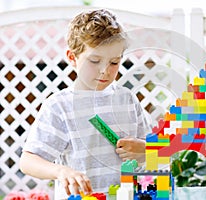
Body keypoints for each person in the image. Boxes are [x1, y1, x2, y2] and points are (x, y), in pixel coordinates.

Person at [19, 9, 151, 199]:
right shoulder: (60, 106)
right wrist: (61, 172)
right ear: (72, 58)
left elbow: (152, 150)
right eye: (95, 61)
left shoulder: (127, 100)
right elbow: (28, 161)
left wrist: (144, 148)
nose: (105, 71)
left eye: (114, 62)